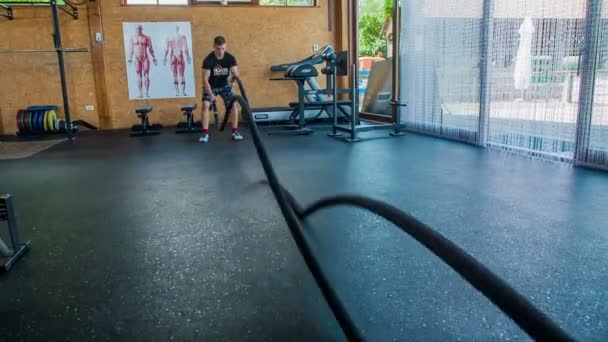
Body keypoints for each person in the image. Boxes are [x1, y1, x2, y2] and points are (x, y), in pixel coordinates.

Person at [199, 36, 242, 143]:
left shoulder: (230, 58)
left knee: (234, 105)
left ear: (225, 46)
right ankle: (205, 133)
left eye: (223, 48)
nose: (221, 51)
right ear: (214, 47)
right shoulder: (208, 60)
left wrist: (232, 82)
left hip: (224, 86)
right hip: (211, 86)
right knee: (205, 105)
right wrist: (211, 95)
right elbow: (205, 80)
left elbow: (235, 74)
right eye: (218, 48)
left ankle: (235, 131)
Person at [128, 24, 157, 98]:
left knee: (146, 75)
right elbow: (131, 49)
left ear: (142, 29)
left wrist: (154, 57)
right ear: (135, 29)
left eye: (140, 29)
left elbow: (151, 49)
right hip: (137, 58)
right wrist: (130, 58)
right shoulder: (132, 38)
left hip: (145, 57)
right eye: (137, 29)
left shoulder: (147, 38)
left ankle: (147, 92)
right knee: (138, 75)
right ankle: (140, 93)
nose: (138, 30)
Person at [163, 25, 191, 97]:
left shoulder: (168, 37)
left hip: (173, 54)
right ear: (178, 29)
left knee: (175, 74)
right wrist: (187, 57)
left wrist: (165, 57)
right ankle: (183, 92)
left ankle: (177, 92)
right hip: (179, 53)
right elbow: (185, 49)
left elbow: (166, 49)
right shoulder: (182, 36)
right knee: (181, 74)